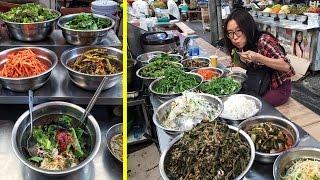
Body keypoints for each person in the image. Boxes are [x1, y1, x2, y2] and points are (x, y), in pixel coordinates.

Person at [224, 9, 295, 107]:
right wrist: (238, 62)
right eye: (230, 33)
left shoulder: (263, 40)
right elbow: (247, 68)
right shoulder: (241, 45)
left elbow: (287, 66)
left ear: (248, 28)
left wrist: (258, 57)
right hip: (259, 82)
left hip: (277, 87)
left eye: (238, 31)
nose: (234, 37)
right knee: (232, 98)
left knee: (252, 106)